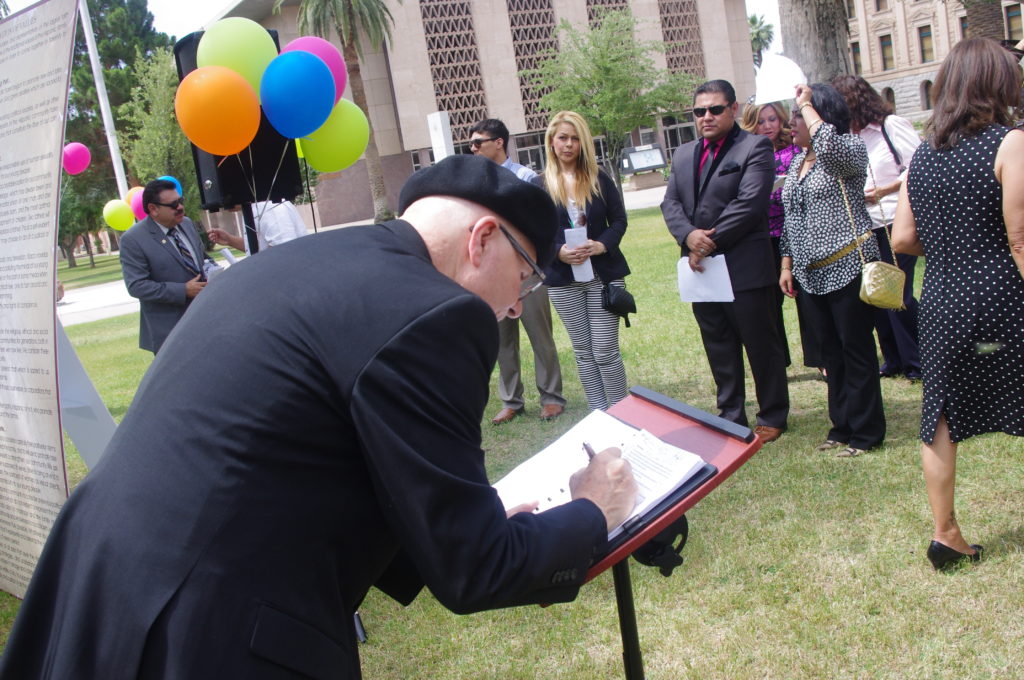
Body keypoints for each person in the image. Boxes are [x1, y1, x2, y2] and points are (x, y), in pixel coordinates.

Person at [0, 155, 638, 679]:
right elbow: (473, 570)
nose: (512, 307)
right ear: (483, 240)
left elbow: (305, 451)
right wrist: (590, 512)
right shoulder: (437, 313)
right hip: (206, 632)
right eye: (524, 279)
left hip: (95, 586)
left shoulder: (290, 264)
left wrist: (470, 518)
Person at [891, 37, 1024, 570]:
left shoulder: (923, 153)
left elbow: (901, 238)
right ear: (998, 81)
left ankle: (945, 533)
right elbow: (1019, 237)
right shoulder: (1009, 142)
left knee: (939, 415)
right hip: (998, 293)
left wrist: (952, 243)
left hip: (942, 297)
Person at [662, 80, 789, 443]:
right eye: (699, 111)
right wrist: (688, 237)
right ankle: (731, 413)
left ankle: (773, 413)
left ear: (733, 109)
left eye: (715, 109)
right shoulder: (684, 153)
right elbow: (670, 203)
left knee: (761, 344)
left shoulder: (755, 146)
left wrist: (708, 241)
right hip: (701, 270)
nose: (707, 116)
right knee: (717, 343)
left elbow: (749, 204)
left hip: (743, 266)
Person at [779, 83, 886, 457]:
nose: (792, 122)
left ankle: (866, 433)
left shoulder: (848, 149)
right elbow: (791, 216)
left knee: (856, 350)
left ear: (820, 115)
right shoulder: (798, 160)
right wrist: (786, 262)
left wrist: (809, 105)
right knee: (830, 356)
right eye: (794, 114)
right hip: (810, 275)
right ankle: (841, 426)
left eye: (799, 114)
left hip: (847, 264)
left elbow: (832, 149)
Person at [468, 118, 566, 424]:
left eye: (477, 143)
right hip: (491, 274)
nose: (472, 149)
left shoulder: (527, 179)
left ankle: (551, 398)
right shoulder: (475, 182)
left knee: (540, 336)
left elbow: (544, 225)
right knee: (501, 340)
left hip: (526, 271)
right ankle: (511, 400)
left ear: (498, 143)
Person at [832, 74, 923, 381]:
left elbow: (919, 165)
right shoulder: (850, 137)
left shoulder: (890, 126)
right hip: (865, 225)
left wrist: (885, 189)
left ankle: (919, 360)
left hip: (895, 218)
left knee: (898, 293)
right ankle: (895, 359)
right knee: (876, 293)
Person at [541, 111, 630, 411]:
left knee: (605, 349)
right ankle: (599, 412)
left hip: (602, 277)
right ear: (552, 142)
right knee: (583, 351)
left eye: (575, 138)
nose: (569, 145)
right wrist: (557, 251)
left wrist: (602, 245)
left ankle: (621, 409)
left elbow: (619, 220)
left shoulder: (598, 177)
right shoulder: (539, 185)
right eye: (563, 138)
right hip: (563, 280)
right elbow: (532, 233)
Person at [740, 101, 824, 375]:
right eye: (761, 121)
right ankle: (778, 362)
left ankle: (821, 359)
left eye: (773, 119)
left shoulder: (798, 151)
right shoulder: (748, 154)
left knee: (808, 300)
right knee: (769, 306)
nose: (768, 126)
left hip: (797, 236)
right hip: (764, 237)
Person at [118, 178, 208, 354]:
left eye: (180, 201)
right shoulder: (133, 240)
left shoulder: (187, 224)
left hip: (204, 319)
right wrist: (182, 290)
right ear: (153, 209)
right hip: (170, 331)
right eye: (173, 205)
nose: (180, 207)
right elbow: (136, 286)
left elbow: (200, 259)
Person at [207, 199, 308, 254]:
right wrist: (229, 240)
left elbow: (284, 252)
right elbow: (259, 249)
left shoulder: (270, 206)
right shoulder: (251, 209)